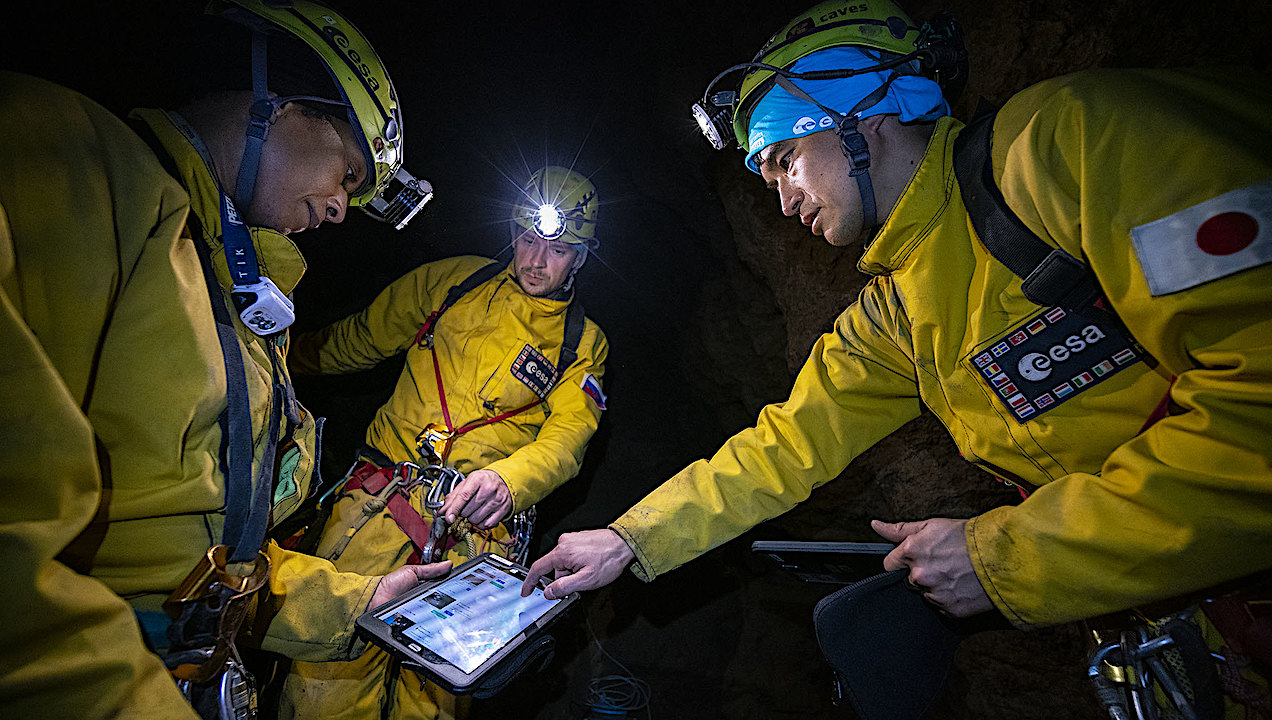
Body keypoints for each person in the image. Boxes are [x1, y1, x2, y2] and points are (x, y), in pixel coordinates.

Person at [525, 0, 1272, 712]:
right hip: (1209, 625)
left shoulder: (1068, 145)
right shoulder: (895, 314)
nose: (781, 200)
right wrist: (629, 539)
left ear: (862, 116)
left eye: (785, 159)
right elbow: (781, 448)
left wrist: (1006, 557)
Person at [0, 2, 444, 718]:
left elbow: (197, 547)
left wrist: (354, 602)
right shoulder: (65, 157)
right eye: (347, 173)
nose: (339, 208)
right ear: (285, 102)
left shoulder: (235, 289)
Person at [279, 165, 609, 719]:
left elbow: (567, 439)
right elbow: (359, 339)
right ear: (512, 232)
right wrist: (275, 358)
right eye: (528, 238)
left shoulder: (582, 345)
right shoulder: (454, 281)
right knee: (327, 672)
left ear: (580, 256)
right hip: (380, 504)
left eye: (556, 248)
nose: (535, 259)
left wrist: (510, 480)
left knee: (432, 699)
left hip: (476, 534)